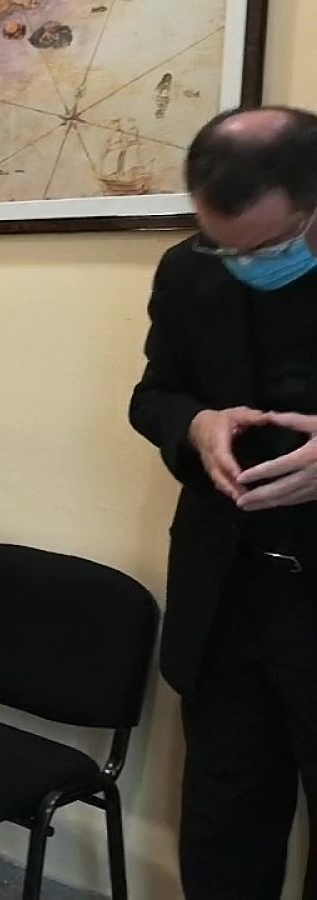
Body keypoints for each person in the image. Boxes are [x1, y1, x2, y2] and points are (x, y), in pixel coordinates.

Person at [129, 105, 317, 898]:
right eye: (223, 246)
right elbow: (154, 395)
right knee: (221, 828)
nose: (243, 265)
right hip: (227, 593)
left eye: (266, 249)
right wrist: (196, 423)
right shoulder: (189, 268)